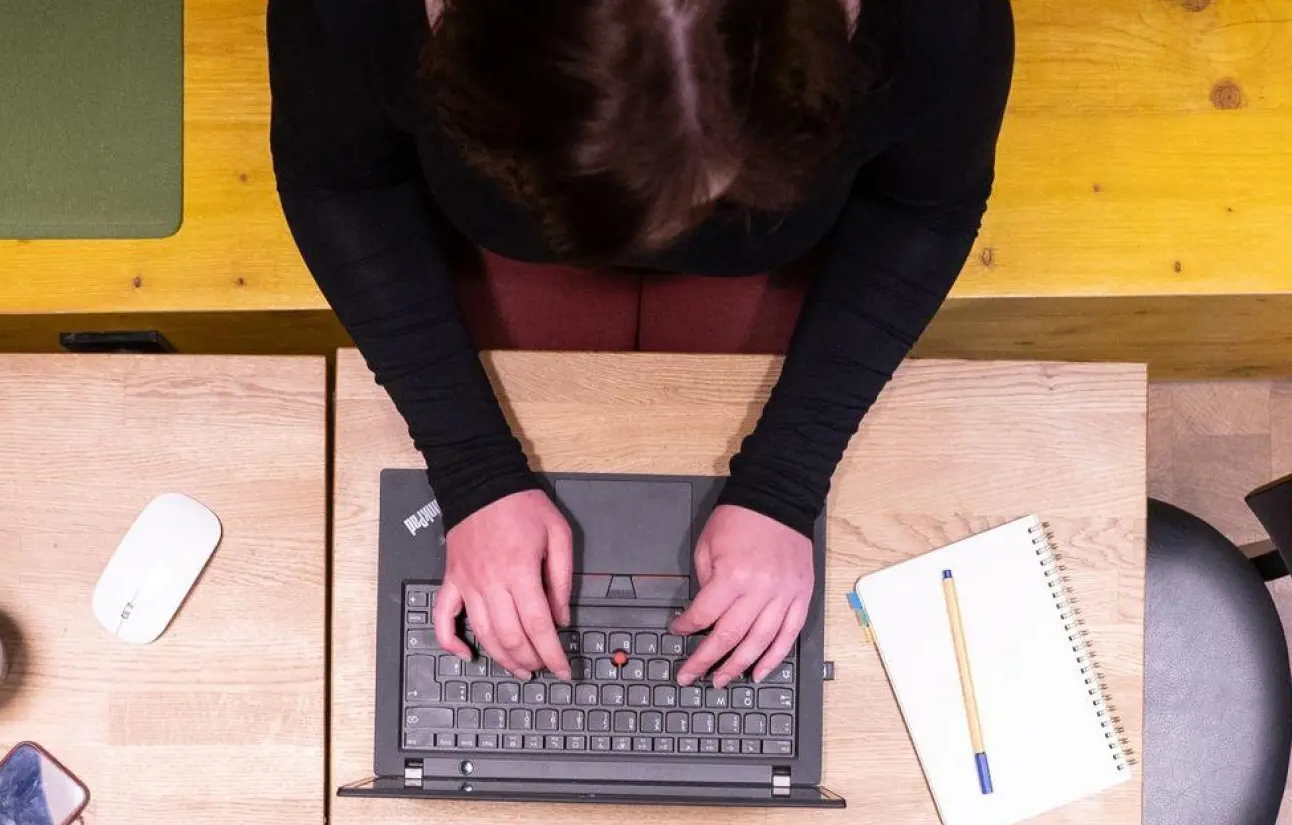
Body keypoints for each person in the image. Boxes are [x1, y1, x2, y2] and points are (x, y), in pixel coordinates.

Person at [270, 0, 1014, 688]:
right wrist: (471, 474)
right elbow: (340, 185)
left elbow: (924, 209)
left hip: (768, 262)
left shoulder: (938, 21)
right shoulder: (353, 14)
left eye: (718, 193)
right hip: (502, 248)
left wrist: (788, 482)